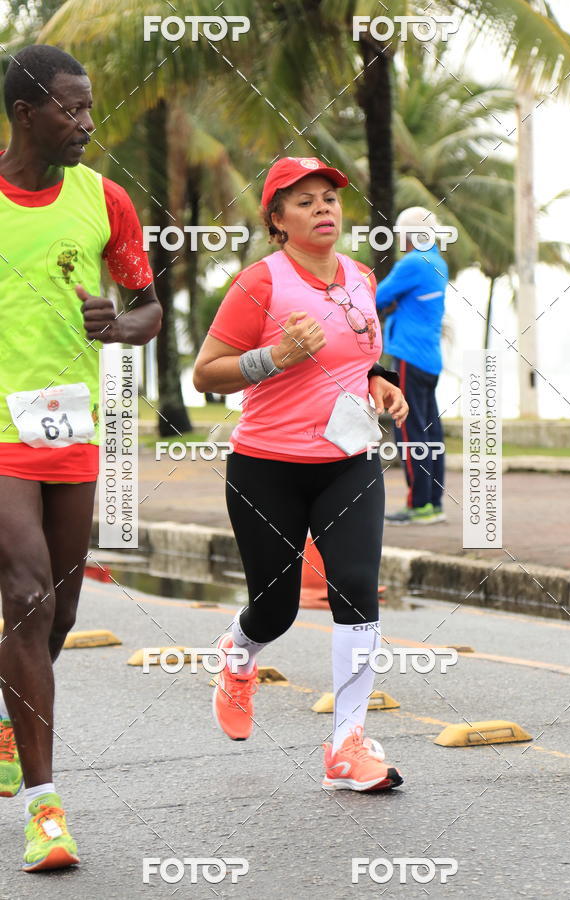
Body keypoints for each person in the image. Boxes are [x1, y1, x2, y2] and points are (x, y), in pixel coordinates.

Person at [193, 156, 409, 792]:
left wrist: (382, 384)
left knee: (354, 584)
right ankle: (237, 652)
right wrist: (274, 357)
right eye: (305, 200)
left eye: (330, 199)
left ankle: (346, 744)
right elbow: (206, 373)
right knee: (277, 607)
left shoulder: (361, 276)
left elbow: (363, 352)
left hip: (349, 461)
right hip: (266, 467)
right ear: (277, 220)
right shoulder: (260, 282)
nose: (323, 208)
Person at [0, 45, 162, 871]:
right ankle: (46, 810)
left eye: (90, 109)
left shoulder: (106, 201)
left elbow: (151, 307)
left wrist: (122, 325)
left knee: (57, 616)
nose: (87, 125)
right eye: (71, 110)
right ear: (26, 113)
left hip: (69, 430)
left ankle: (8, 711)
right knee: (24, 593)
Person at [376, 206, 448, 525]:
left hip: (408, 355)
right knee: (431, 431)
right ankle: (432, 503)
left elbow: (377, 297)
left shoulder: (413, 262)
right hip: (430, 360)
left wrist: (389, 306)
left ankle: (417, 505)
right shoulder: (437, 262)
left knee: (408, 430)